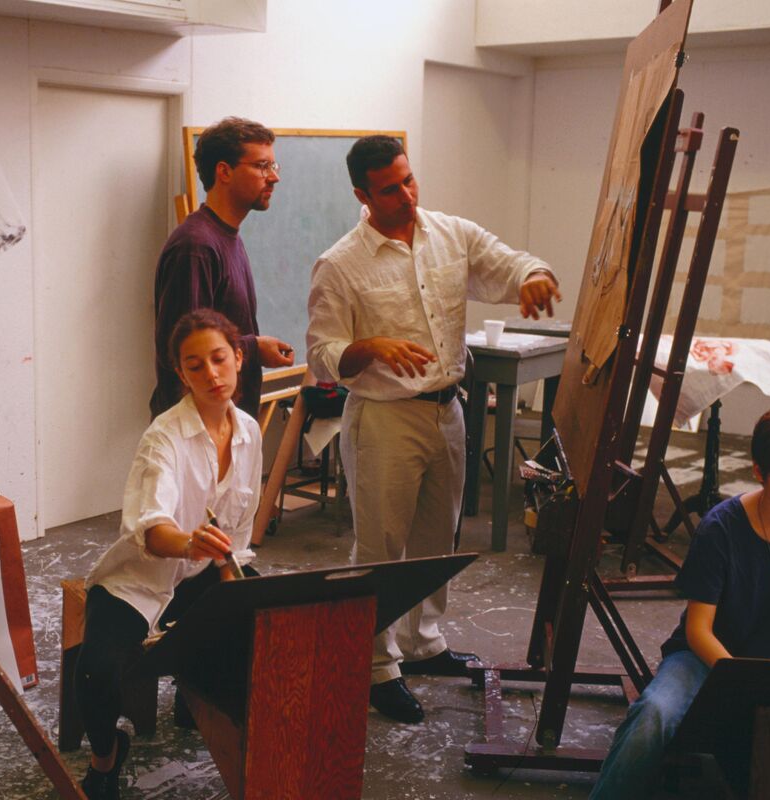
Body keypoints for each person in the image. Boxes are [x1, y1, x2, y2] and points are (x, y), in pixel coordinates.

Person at [305, 135, 562, 724]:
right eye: (390, 188)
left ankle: (423, 645)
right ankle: (374, 666)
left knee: (435, 538)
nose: (407, 195)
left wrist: (534, 274)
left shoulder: (450, 233)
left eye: (409, 179)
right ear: (362, 195)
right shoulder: (341, 263)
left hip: (447, 410)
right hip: (384, 420)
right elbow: (321, 354)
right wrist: (364, 347)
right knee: (380, 547)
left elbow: (504, 260)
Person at [590, 408, 770, 799]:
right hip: (702, 658)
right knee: (654, 714)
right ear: (760, 472)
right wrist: (742, 684)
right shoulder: (720, 527)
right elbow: (698, 630)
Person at [78, 309, 263, 800]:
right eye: (195, 365)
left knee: (268, 637)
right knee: (96, 674)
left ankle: (200, 699)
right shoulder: (163, 437)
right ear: (180, 374)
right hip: (140, 579)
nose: (211, 374)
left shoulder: (249, 431)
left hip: (204, 573)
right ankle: (106, 757)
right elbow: (152, 529)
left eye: (219, 359)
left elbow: (238, 537)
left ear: (239, 357)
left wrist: (235, 606)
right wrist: (188, 541)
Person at [150, 116, 294, 421]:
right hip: (198, 431)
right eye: (261, 166)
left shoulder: (228, 235)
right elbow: (180, 349)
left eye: (273, 166)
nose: (273, 177)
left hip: (226, 424)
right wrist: (254, 347)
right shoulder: (196, 246)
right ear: (224, 172)